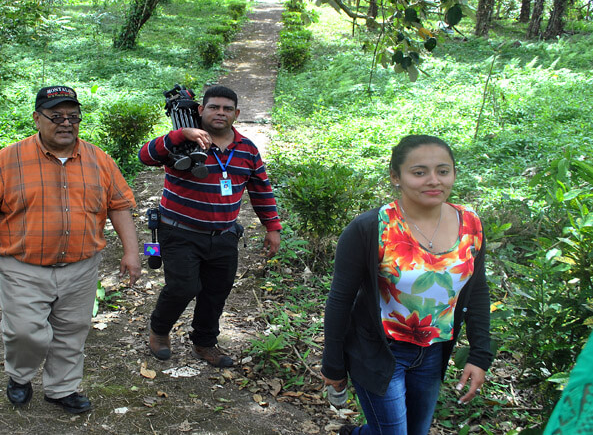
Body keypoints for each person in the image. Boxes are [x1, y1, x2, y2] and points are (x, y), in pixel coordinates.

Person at [0, 85, 140, 413]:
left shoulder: (98, 159)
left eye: (73, 117)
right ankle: (20, 376)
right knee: (26, 333)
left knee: (72, 331)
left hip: (81, 266)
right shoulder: (8, 159)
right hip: (22, 266)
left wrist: (132, 252)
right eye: (56, 116)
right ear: (36, 119)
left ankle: (62, 388)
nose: (66, 123)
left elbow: (119, 205)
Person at [320, 135, 493, 435]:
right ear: (395, 177)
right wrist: (333, 365)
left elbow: (476, 290)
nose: (433, 180)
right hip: (379, 350)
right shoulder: (371, 228)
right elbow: (340, 300)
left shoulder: (471, 224)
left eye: (443, 170)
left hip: (433, 352)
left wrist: (480, 355)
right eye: (419, 172)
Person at [140, 85, 282, 368]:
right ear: (201, 110)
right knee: (183, 287)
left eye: (227, 109)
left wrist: (272, 227)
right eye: (214, 107)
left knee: (217, 290)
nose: (220, 113)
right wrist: (179, 135)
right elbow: (145, 156)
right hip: (179, 231)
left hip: (224, 235)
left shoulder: (247, 150)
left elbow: (261, 189)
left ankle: (204, 342)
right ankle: (159, 330)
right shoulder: (183, 144)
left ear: (236, 114)